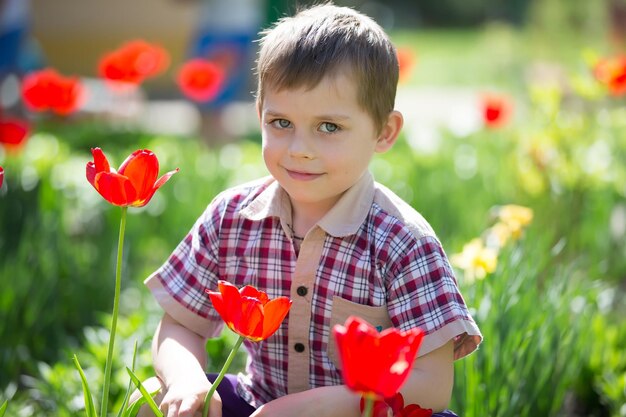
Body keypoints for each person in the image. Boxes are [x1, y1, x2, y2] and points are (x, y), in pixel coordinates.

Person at [139, 3, 482, 417]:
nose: (299, 150)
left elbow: (431, 385)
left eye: (329, 127)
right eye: (281, 123)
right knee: (159, 402)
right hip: (257, 404)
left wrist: (311, 408)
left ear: (384, 132)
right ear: (259, 115)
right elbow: (181, 324)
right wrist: (186, 380)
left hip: (362, 411)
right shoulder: (231, 218)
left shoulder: (402, 241)